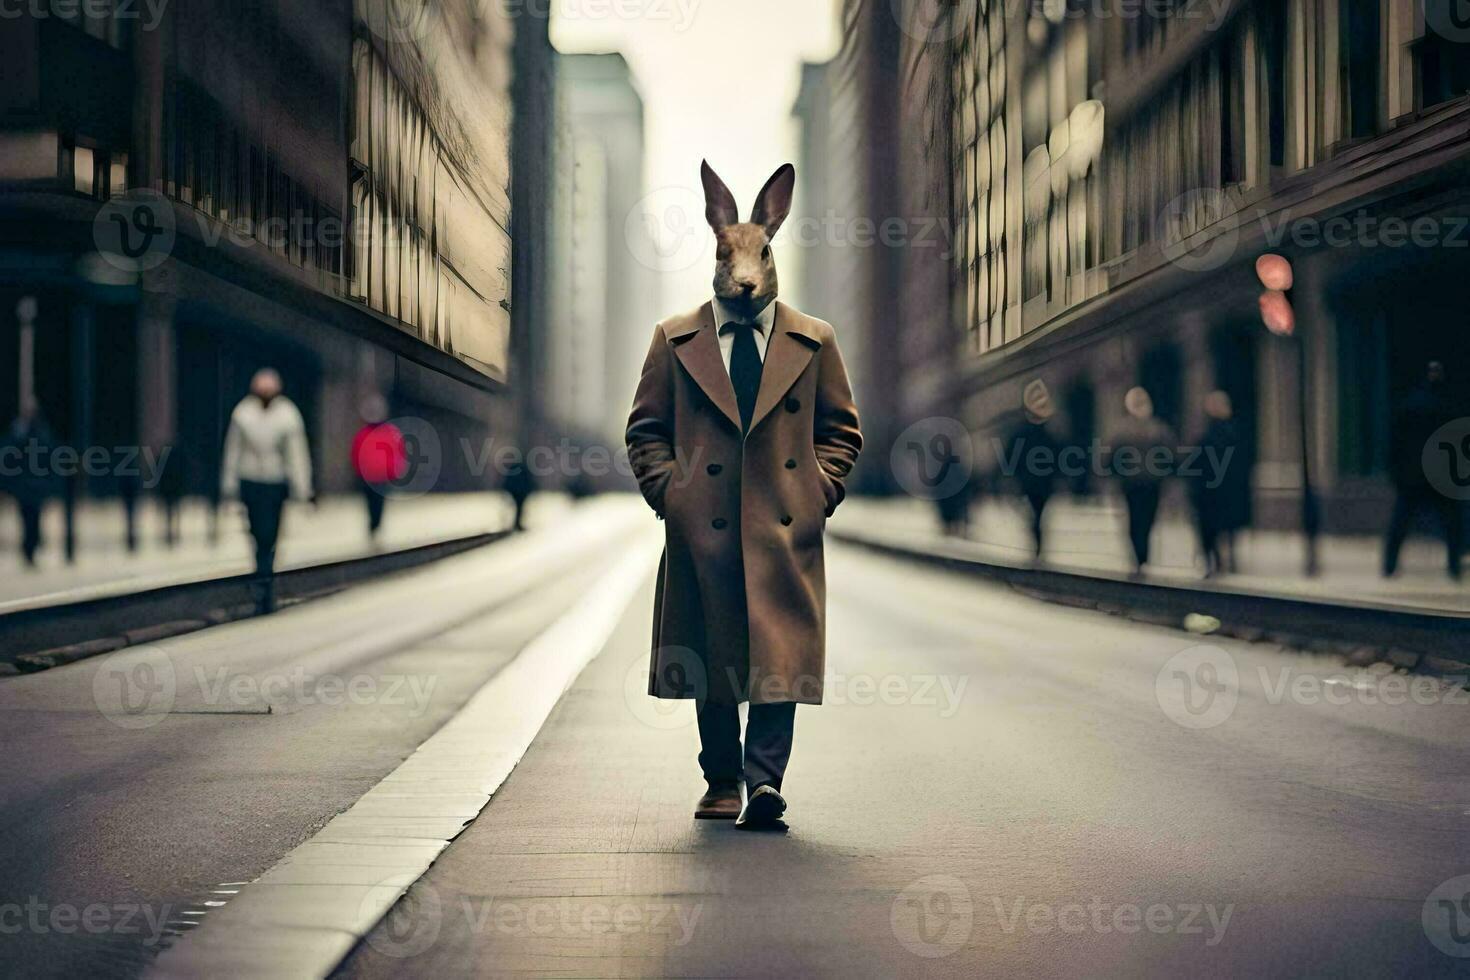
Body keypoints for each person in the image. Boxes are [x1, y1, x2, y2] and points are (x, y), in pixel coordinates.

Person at [626, 161, 862, 829]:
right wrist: (671, 496)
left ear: (772, 248)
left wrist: (819, 489)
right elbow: (645, 428)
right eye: (731, 256)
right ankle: (721, 778)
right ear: (717, 252)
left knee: (778, 652)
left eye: (756, 254)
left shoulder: (814, 341)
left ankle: (766, 781)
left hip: (782, 526)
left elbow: (841, 428)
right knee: (712, 653)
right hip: (705, 525)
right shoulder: (674, 340)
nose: (744, 272)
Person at [221, 369, 313, 612]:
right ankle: (262, 570)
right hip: (251, 479)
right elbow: (233, 451)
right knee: (255, 530)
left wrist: (302, 488)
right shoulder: (243, 413)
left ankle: (266, 572)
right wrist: (229, 485)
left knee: (270, 531)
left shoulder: (287, 415)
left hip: (275, 481)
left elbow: (296, 454)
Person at [1383, 361, 1463, 580]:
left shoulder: (1415, 406)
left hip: (1418, 474)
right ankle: (1453, 566)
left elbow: (1396, 443)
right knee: (1448, 521)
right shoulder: (1442, 407)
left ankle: (1390, 566)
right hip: (1429, 474)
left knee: (1405, 521)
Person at [1112, 386, 1176, 575]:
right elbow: (1172, 456)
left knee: (1135, 519)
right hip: (1151, 482)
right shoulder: (1159, 429)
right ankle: (1143, 556)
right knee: (1148, 519)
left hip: (1132, 483)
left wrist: (1116, 474)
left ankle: (1139, 557)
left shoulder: (1122, 430)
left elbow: (1111, 457)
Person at [1190, 391, 1250, 577]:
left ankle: (1212, 560)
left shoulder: (1206, 437)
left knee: (1208, 527)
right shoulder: (1237, 435)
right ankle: (1228, 558)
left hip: (1209, 491)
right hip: (1230, 490)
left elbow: (1195, 465)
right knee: (1229, 526)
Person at [1003, 379, 1061, 558]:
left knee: (1035, 512)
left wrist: (1011, 475)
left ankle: (1037, 540)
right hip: (1042, 481)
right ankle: (1038, 541)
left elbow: (1010, 456)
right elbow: (1058, 455)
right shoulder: (1046, 432)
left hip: (1030, 480)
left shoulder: (1022, 433)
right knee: (1038, 512)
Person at [1, 397, 60, 568]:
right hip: (26, 487)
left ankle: (31, 548)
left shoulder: (41, 432)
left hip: (34, 486)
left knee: (34, 519)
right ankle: (28, 550)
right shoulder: (19, 432)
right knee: (27, 519)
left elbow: (49, 458)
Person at [351, 394, 405, 539]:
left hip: (377, 475)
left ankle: (375, 525)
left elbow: (397, 453)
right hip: (374, 475)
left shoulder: (385, 433)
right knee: (375, 501)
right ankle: (375, 524)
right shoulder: (370, 434)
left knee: (375, 501)